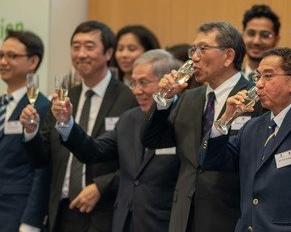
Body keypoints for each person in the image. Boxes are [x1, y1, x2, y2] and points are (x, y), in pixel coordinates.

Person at [22, 49, 180, 232]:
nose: (137, 91)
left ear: (167, 81)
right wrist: (66, 123)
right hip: (124, 223)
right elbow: (93, 150)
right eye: (133, 83)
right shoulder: (129, 119)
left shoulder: (183, 116)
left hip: (164, 223)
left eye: (143, 83)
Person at [142, 21, 262, 232]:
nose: (194, 57)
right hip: (184, 215)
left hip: (230, 215)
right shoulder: (189, 98)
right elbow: (154, 140)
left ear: (228, 56)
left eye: (203, 49)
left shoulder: (255, 98)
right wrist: (164, 102)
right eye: (193, 49)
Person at [199, 47, 291, 232]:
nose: (259, 85)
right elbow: (210, 160)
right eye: (258, 77)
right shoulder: (252, 127)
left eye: (268, 76)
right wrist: (224, 120)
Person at [22, 21, 138, 232]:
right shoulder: (62, 98)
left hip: (105, 210)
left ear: (108, 52)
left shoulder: (128, 98)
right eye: (76, 47)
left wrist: (102, 187)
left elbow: (138, 161)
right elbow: (40, 160)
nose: (81, 54)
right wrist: (30, 132)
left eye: (89, 46)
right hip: (62, 211)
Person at [0, 30, 50, 232]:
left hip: (18, 209)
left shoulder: (42, 106)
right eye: (1, 55)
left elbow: (42, 168)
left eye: (12, 56)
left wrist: (31, 220)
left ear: (33, 61)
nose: (3, 61)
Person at [241, 4, 281, 80]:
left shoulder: (281, 83)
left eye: (265, 35)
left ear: (276, 39)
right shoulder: (231, 81)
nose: (256, 41)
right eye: (251, 33)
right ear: (243, 35)